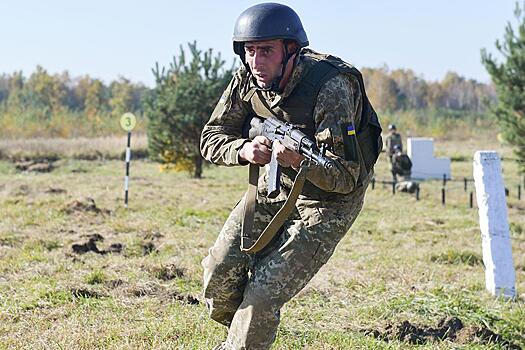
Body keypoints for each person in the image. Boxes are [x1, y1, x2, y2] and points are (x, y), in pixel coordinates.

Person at [199, 3, 382, 349]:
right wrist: (243, 150)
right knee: (218, 273)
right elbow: (211, 137)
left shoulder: (331, 86)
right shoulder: (247, 79)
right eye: (250, 51)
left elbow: (345, 177)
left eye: (266, 51)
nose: (256, 61)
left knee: (263, 297)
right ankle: (241, 332)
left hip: (329, 204)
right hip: (275, 186)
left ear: (291, 50)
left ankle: (245, 339)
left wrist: (300, 161)